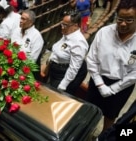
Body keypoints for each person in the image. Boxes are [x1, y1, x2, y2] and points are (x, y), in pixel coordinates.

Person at [85, 0, 136, 133]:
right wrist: (100, 84)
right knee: (90, 111)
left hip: (122, 86)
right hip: (98, 80)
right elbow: (91, 59)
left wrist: (113, 88)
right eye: (120, 19)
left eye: (129, 20)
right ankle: (86, 133)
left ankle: (103, 136)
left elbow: (134, 74)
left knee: (110, 116)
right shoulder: (104, 32)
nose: (123, 24)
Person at [41, 11, 88, 95]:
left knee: (55, 96)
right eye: (62, 24)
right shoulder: (67, 34)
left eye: (65, 25)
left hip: (64, 73)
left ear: (75, 26)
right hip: (55, 69)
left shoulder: (79, 42)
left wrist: (63, 86)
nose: (62, 27)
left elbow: (73, 68)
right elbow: (57, 50)